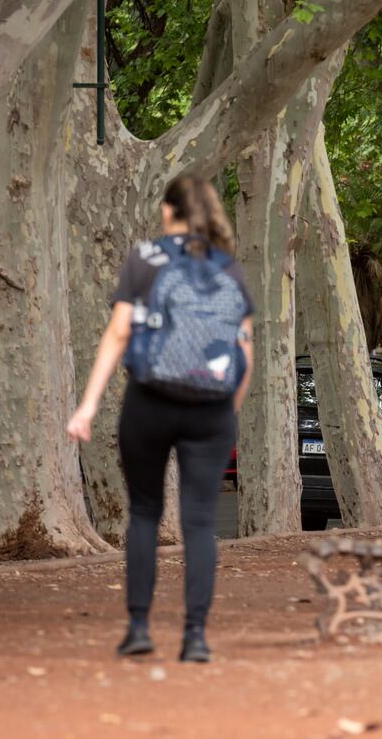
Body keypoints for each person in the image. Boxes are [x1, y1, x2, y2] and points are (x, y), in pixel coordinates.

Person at [67, 175, 253, 662]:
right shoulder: (230, 270)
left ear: (167, 210)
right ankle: (195, 636)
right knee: (198, 522)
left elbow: (118, 335)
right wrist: (223, 414)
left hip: (148, 403)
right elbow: (244, 353)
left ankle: (139, 627)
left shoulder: (144, 260)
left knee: (146, 514)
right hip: (211, 410)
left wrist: (87, 405)